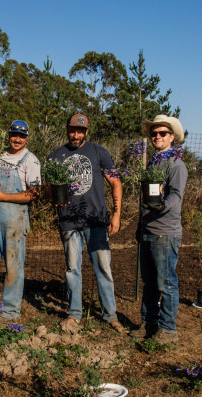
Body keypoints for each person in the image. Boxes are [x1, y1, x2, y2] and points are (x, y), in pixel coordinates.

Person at [47, 113, 125, 333]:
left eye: (80, 130)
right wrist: (53, 198)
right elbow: (49, 189)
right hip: (69, 222)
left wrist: (117, 214)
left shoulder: (99, 152)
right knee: (72, 269)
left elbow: (115, 182)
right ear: (67, 130)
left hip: (96, 221)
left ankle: (110, 315)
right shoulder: (56, 155)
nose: (76, 134)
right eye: (72, 130)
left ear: (87, 132)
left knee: (103, 268)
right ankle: (74, 314)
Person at [0, 120, 42, 321]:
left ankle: (10, 311)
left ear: (27, 138)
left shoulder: (31, 161)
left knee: (13, 265)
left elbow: (34, 194)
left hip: (15, 217)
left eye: (21, 136)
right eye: (14, 134)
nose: (17, 139)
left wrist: (2, 196)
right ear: (8, 135)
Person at [131, 115, 187, 343]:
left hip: (165, 232)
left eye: (162, 133)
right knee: (150, 281)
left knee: (166, 282)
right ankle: (149, 323)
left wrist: (162, 206)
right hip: (148, 230)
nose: (157, 137)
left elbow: (176, 196)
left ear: (172, 137)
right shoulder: (153, 163)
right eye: (154, 133)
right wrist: (141, 224)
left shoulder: (176, 164)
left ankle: (167, 329)